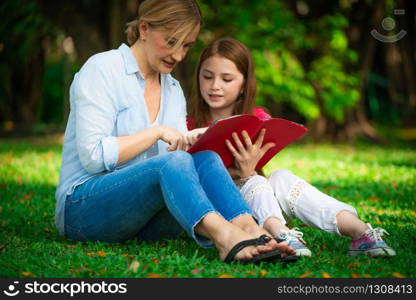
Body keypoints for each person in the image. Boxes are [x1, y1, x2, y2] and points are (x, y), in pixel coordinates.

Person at [54, 0, 298, 264]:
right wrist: (156, 132)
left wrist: (214, 154)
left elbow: (184, 165)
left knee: (204, 158)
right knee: (174, 160)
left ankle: (252, 229)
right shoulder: (102, 69)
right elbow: (93, 157)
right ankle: (226, 237)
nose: (179, 55)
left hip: (142, 217)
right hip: (83, 210)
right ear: (144, 29)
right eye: (172, 42)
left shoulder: (172, 89)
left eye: (186, 46)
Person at [187, 37, 396, 257]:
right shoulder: (187, 125)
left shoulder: (257, 119)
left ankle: (361, 232)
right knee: (256, 180)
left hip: (260, 204)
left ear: (243, 85)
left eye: (226, 79)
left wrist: (248, 171)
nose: (214, 86)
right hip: (225, 212)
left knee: (281, 177)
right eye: (207, 76)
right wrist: (244, 174)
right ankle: (281, 235)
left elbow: (258, 173)